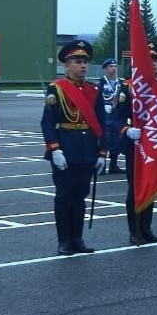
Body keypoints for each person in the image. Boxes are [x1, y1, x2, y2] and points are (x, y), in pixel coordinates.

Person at [42, 39, 107, 255]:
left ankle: (77, 238)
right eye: (78, 61)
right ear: (67, 65)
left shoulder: (94, 89)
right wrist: (54, 149)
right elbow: (48, 122)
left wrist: (102, 152)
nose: (83, 66)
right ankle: (64, 240)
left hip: (87, 149)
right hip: (66, 148)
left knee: (80, 196)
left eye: (85, 62)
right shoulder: (57, 89)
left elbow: (101, 122)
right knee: (64, 196)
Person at [117, 42, 157, 246]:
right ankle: (134, 230)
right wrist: (126, 130)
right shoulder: (127, 87)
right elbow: (116, 118)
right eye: (146, 58)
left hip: (154, 145)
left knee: (151, 185)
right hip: (135, 145)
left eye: (154, 59)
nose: (150, 62)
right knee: (134, 188)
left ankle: (147, 228)